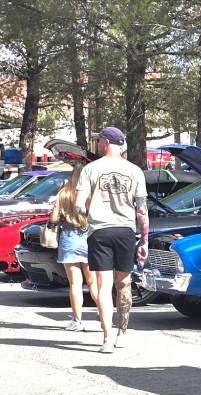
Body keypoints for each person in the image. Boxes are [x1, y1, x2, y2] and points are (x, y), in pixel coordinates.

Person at [75, 126, 148, 353]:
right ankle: (122, 333)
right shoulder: (135, 171)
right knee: (124, 283)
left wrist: (87, 219)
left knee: (103, 287)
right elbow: (142, 211)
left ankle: (106, 339)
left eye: (99, 141)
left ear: (106, 142)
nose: (97, 144)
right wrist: (144, 239)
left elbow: (78, 204)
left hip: (99, 231)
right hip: (126, 231)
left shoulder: (91, 169)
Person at [51, 162, 97, 331]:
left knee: (75, 284)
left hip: (69, 238)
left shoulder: (63, 193)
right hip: (89, 238)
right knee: (94, 283)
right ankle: (103, 318)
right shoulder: (91, 193)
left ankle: (77, 321)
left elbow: (54, 219)